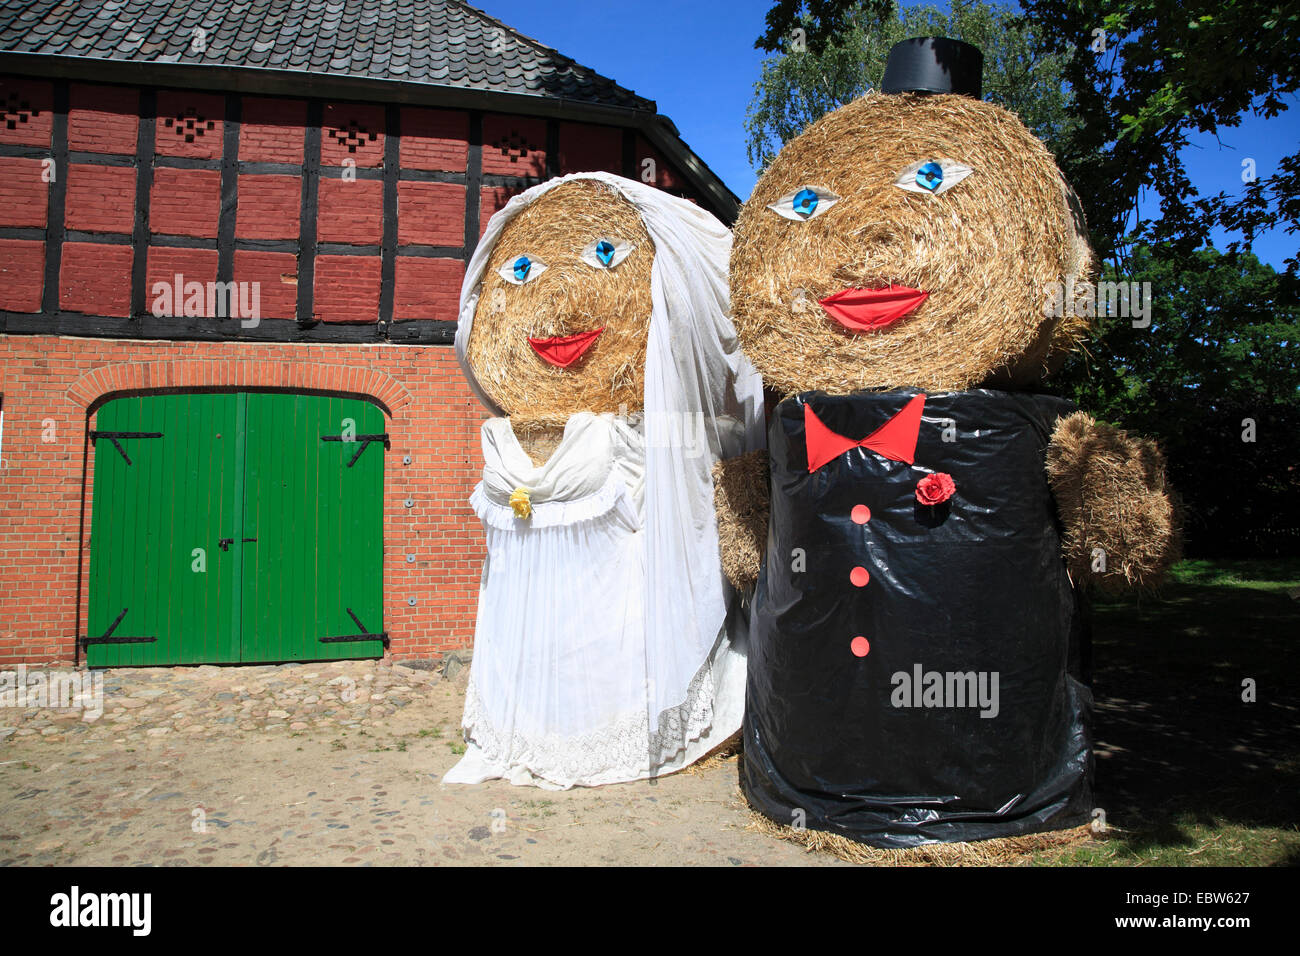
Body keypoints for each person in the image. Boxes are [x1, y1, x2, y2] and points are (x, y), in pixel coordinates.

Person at [445, 172, 764, 789]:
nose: (561, 303)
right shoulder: (542, 429)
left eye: (605, 255)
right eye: (521, 272)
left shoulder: (652, 430)